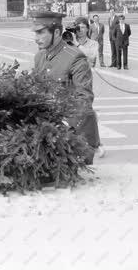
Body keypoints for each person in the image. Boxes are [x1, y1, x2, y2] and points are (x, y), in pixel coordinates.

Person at [31, 11, 101, 164]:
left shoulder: (75, 57)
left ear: (56, 32)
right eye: (35, 33)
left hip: (73, 137)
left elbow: (84, 98)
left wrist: (64, 127)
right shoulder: (40, 57)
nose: (36, 38)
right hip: (47, 133)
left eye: (40, 33)